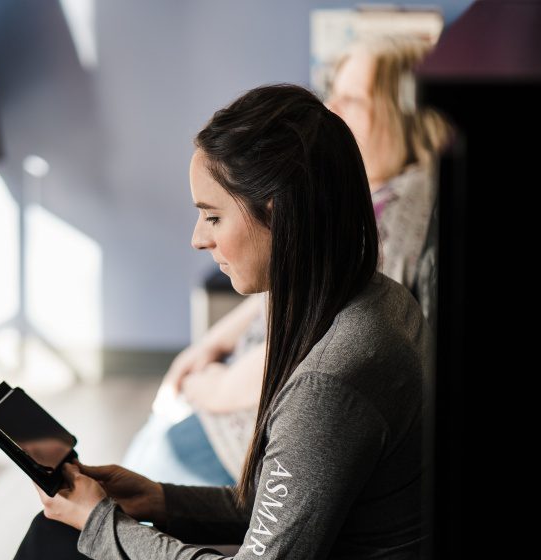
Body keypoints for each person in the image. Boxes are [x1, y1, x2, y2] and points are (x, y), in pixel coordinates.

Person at [0, 83, 430, 560]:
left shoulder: (335, 379)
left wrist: (101, 526)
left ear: (279, 210)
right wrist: (160, 501)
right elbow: (282, 515)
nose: (199, 238)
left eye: (212, 215)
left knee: (58, 544)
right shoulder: (378, 302)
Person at [122, 33, 451, 489]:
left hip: (266, 410)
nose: (333, 109)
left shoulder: (397, 215)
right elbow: (300, 279)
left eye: (353, 99)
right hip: (252, 382)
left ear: (403, 114)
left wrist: (213, 388)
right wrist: (211, 344)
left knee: (147, 464)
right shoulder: (375, 190)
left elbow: (324, 336)